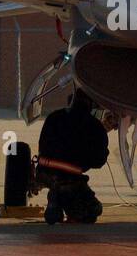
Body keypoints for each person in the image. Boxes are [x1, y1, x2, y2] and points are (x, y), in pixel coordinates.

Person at [37, 90, 109, 224]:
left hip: (45, 172)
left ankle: (55, 197)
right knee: (94, 210)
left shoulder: (54, 117)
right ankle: (58, 199)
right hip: (70, 177)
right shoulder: (94, 126)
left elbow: (42, 145)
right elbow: (98, 161)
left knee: (62, 185)